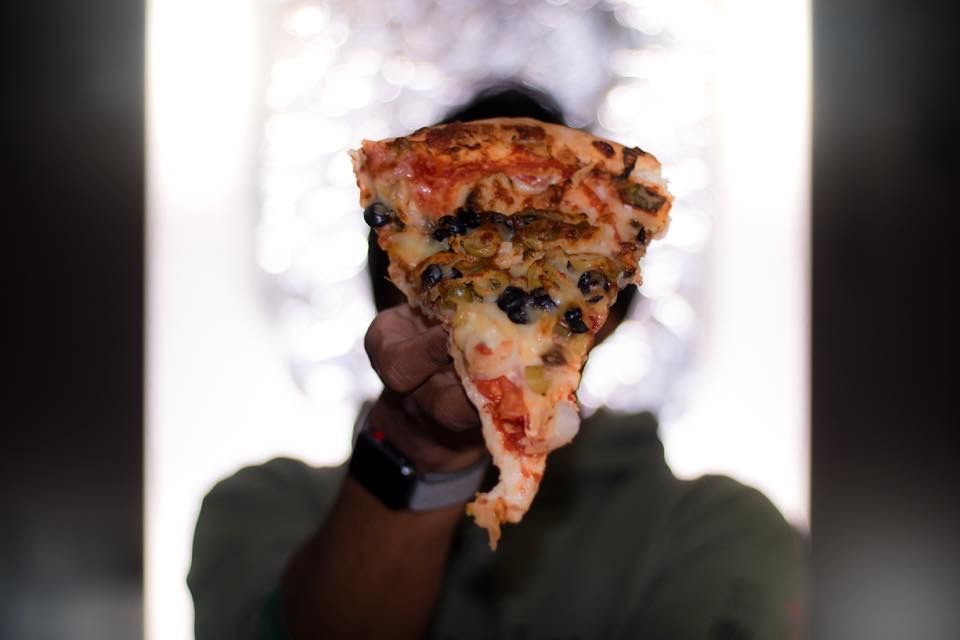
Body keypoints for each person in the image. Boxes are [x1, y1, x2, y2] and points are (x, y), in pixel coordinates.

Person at [188, 85, 805, 640]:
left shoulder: (720, 530)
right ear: (396, 282)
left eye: (560, 271)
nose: (499, 293)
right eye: (451, 272)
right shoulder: (262, 507)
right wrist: (420, 451)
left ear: (606, 302)